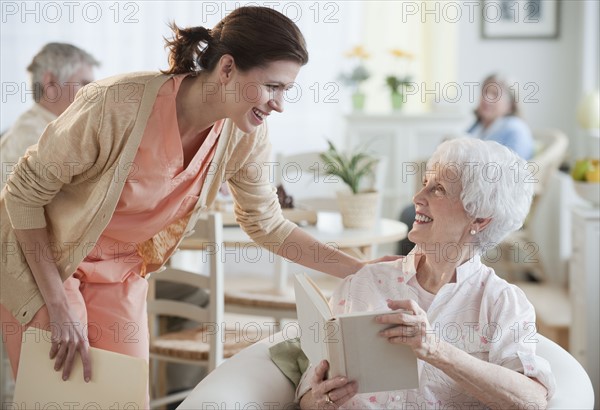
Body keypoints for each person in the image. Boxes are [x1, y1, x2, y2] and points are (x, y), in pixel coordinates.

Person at [0, 6, 394, 405]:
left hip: (120, 273)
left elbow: (268, 225)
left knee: (121, 398)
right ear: (226, 69)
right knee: (59, 397)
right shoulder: (116, 103)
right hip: (46, 260)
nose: (279, 105)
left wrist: (359, 270)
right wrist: (58, 304)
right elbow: (22, 192)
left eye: (286, 91)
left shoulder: (246, 135)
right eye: (273, 86)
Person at [295, 138, 555, 409]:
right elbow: (308, 394)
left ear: (479, 218)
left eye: (438, 189)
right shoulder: (365, 282)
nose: (417, 198)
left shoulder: (500, 301)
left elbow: (532, 400)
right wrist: (320, 399)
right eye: (424, 184)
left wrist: (436, 350)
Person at [398, 73, 535, 255]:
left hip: (478, 203)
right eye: (484, 93)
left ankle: (415, 273)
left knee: (411, 214)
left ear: (510, 103)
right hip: (459, 195)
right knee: (411, 212)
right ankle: (411, 271)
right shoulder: (479, 126)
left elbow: (508, 174)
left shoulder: (515, 129)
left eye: (494, 94)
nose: (486, 99)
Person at [0, 43, 99, 186]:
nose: (92, 94)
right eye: (84, 84)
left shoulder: (42, 128)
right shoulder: (36, 138)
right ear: (51, 83)